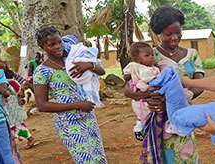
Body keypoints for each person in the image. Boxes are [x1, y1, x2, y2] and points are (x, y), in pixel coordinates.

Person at [124, 6, 205, 163]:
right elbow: (128, 88)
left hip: (183, 117)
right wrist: (152, 96)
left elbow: (200, 84)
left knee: (186, 156)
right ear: (159, 33)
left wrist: (183, 96)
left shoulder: (192, 55)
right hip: (158, 121)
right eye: (168, 34)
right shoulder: (148, 55)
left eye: (178, 32)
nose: (174, 37)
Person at [33, 26, 107, 163]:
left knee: (99, 158)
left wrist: (90, 65)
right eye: (51, 44)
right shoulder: (42, 72)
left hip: (88, 116)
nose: (58, 46)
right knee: (86, 160)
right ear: (42, 47)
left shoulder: (73, 58)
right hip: (68, 121)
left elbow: (101, 71)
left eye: (59, 42)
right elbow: (42, 105)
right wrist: (78, 105)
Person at [122, 42, 160, 141]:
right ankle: (138, 129)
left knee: (151, 114)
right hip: (138, 98)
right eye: (147, 55)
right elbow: (126, 74)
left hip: (149, 96)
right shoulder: (134, 65)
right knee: (141, 115)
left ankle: (148, 130)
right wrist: (130, 77)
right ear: (137, 59)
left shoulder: (153, 68)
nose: (151, 57)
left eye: (152, 55)